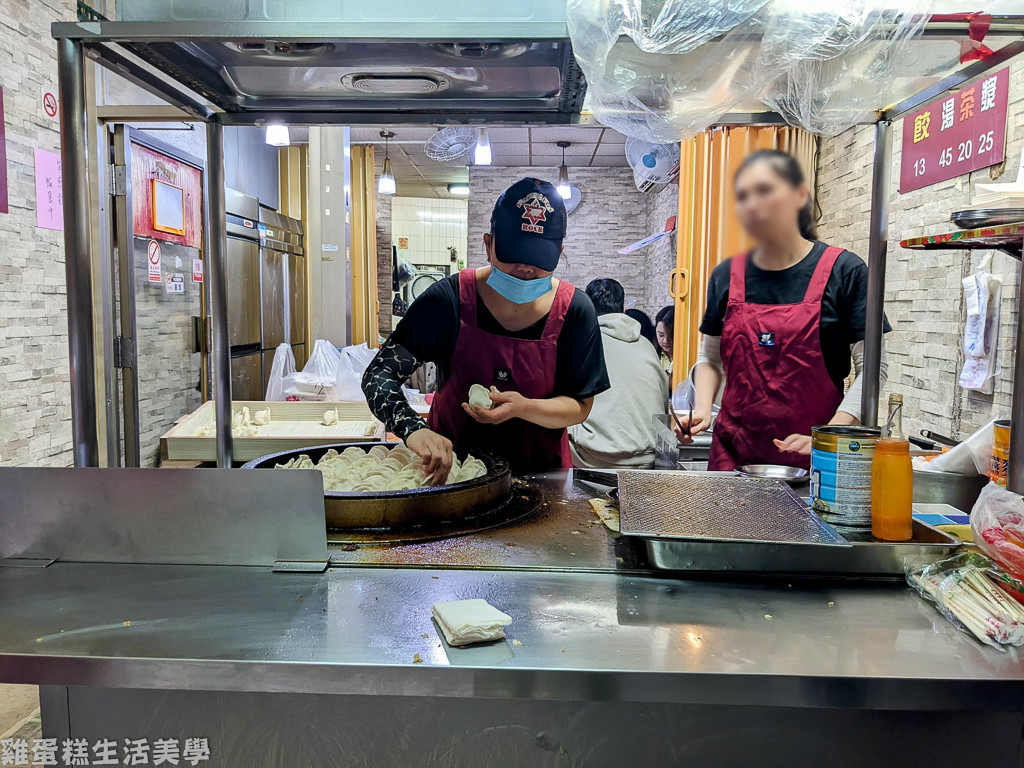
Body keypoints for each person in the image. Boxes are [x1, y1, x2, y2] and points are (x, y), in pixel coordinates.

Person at [362, 177, 610, 482]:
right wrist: (415, 431)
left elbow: (580, 405)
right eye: (514, 254)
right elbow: (378, 375)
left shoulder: (575, 310)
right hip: (452, 476)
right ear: (488, 244)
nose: (525, 268)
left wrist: (524, 407)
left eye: (537, 258)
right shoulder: (448, 300)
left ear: (559, 251)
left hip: (542, 478)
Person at [677, 149, 889, 470]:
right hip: (734, 457)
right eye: (743, 196)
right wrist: (703, 408)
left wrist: (830, 433)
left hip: (814, 459)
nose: (753, 205)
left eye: (764, 191)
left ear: (799, 196)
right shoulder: (726, 276)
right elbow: (710, 359)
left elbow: (874, 370)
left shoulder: (845, 272)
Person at [569, 279, 669, 468]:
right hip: (648, 458)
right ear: (623, 308)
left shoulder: (580, 343)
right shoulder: (647, 346)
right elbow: (663, 404)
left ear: (588, 309)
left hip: (592, 458)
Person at [655, 305, 674, 375]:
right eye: (661, 335)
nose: (665, 341)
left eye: (671, 336)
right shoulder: (652, 355)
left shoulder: (687, 358)